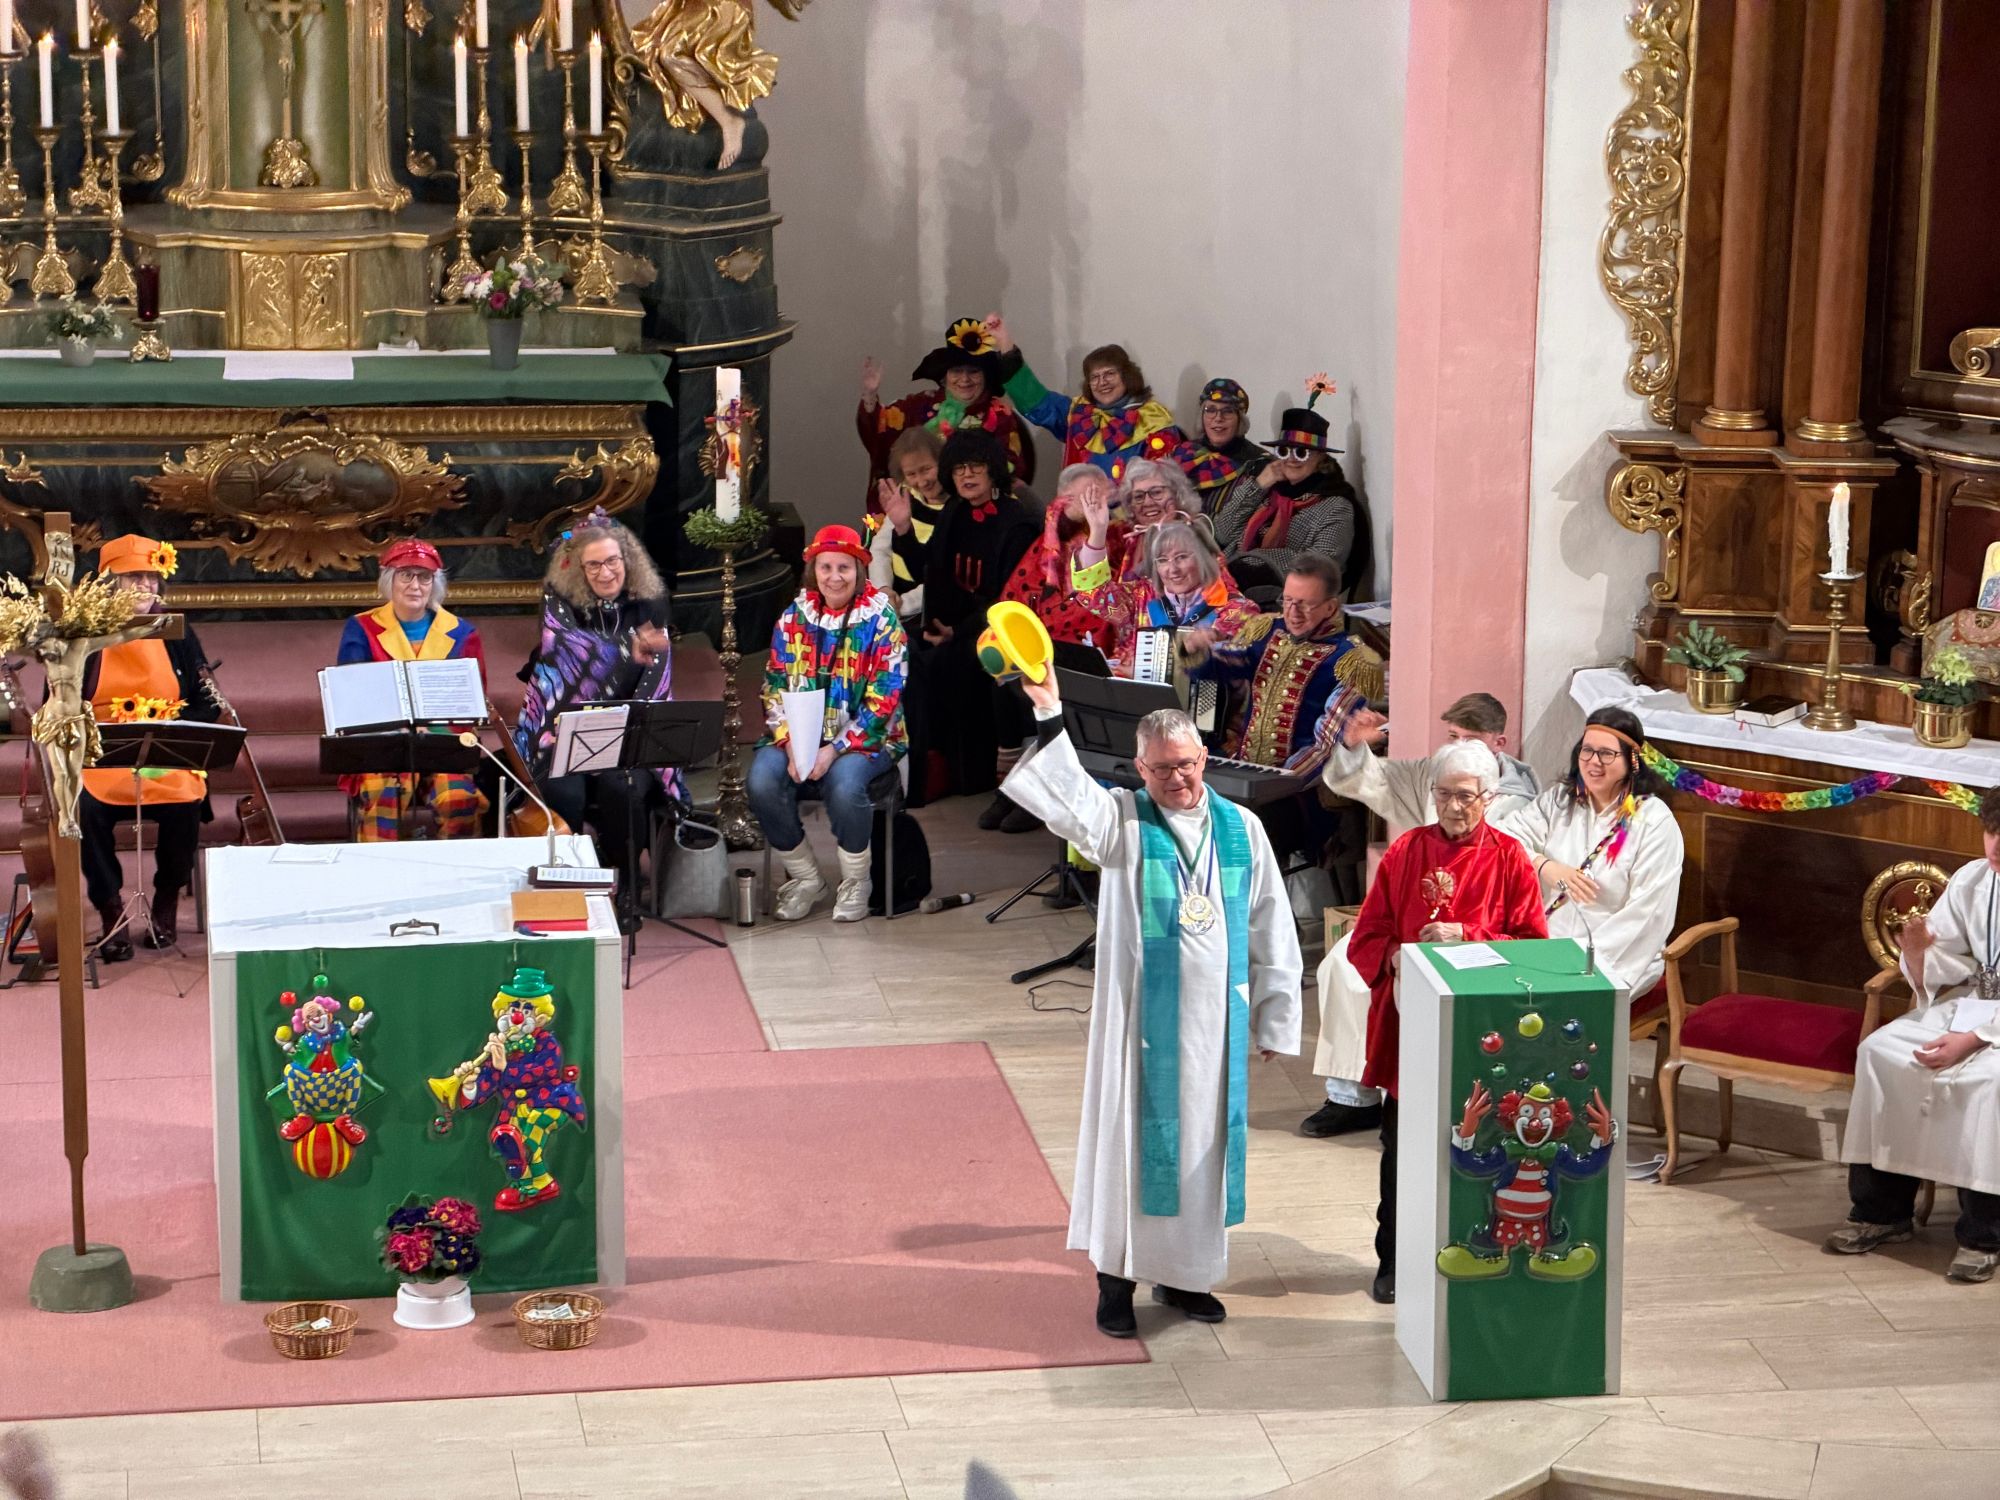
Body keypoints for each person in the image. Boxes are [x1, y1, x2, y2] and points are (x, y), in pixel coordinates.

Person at [1001, 666, 1301, 1337]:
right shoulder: (1123, 822)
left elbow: (1271, 923)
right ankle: (1115, 1282)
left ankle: (1185, 1276)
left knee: (1199, 1153)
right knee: (1131, 1152)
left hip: (1215, 1029)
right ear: (1140, 769)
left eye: (1187, 764)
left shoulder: (1241, 828)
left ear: (1205, 759)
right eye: (1162, 768)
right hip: (1140, 1030)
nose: (1178, 779)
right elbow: (1068, 794)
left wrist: (1275, 1015)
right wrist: (1049, 713)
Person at [1348, 739, 1548, 1304]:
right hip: (1413, 1026)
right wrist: (1396, 956)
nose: (1453, 807)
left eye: (1465, 796)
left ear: (1490, 798)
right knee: (1401, 1149)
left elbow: (1534, 947)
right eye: (1443, 794)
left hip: (1486, 1032)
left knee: (1478, 1149)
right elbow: (1367, 936)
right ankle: (1393, 1261)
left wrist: (1468, 935)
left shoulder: (1510, 858)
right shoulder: (1406, 850)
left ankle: (1480, 1252)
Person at [1302, 693, 1542, 1138]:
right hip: (1415, 930)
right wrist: (1356, 747)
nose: (1454, 805)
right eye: (1452, 736)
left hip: (1484, 938)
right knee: (1341, 964)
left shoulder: (1523, 804)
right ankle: (1352, 1097)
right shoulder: (1429, 783)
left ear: (1499, 744)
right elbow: (1370, 781)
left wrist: (1467, 934)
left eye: (1471, 738)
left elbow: (1527, 920)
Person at [1830, 788, 2000, 1283]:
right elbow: (1950, 961)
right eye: (1992, 831)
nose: (1996, 846)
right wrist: (1920, 949)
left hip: (1990, 1026)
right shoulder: (1973, 879)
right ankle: (1881, 1212)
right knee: (1880, 1053)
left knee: (1988, 1085)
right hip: (1970, 1005)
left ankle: (1983, 1236)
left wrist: (1973, 1039)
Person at [514, 513, 678, 915]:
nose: (606, 573)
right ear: (578, 569)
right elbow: (564, 656)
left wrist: (626, 728)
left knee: (624, 789)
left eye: (613, 561)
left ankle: (626, 882)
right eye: (594, 565)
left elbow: (657, 672)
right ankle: (573, 882)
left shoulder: (650, 602)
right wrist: (627, 648)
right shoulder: (559, 601)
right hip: (564, 732)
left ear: (627, 559)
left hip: (629, 735)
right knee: (562, 790)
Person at [749, 525, 908, 922]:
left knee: (844, 784)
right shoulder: (793, 617)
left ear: (859, 571)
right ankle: (807, 879)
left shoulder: (882, 620)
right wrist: (789, 743)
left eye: (844, 568)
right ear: (813, 571)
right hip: (798, 737)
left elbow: (885, 700)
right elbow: (773, 685)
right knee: (762, 781)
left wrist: (833, 750)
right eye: (826, 568)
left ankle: (856, 880)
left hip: (868, 739)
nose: (835, 577)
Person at [78, 534, 219, 962]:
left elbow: (207, 698)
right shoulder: (85, 631)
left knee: (185, 803)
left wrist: (179, 727)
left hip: (164, 752)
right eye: (133, 577)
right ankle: (111, 911)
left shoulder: (177, 630)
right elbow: (60, 702)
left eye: (152, 577)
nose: (145, 585)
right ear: (110, 583)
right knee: (86, 810)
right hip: (103, 757)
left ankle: (166, 901)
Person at [888, 427, 1040, 818]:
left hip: (999, 626)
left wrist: (957, 632)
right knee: (907, 654)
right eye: (958, 469)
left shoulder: (1017, 522)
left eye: (975, 467)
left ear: (992, 470)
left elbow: (1009, 598)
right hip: (953, 624)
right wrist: (903, 528)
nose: (966, 476)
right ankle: (929, 767)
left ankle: (981, 776)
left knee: (953, 660)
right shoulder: (956, 511)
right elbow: (930, 568)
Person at [1504, 707, 1685, 1000]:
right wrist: (1543, 865)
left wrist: (1581, 961)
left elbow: (1648, 915)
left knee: (1550, 1007)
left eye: (1607, 754)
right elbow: (1504, 837)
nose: (1593, 762)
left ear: (1632, 760)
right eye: (1587, 751)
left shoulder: (1654, 822)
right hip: (1548, 943)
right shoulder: (1559, 801)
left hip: (1621, 955)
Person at [334, 538, 488, 841]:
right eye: (406, 575)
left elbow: (472, 702)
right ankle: (378, 869)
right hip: (384, 745)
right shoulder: (362, 628)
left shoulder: (462, 632)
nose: (415, 586)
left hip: (441, 744)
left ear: (435, 584)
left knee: (458, 800)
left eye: (425, 577)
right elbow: (353, 697)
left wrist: (435, 732)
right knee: (383, 797)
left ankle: (455, 868)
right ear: (389, 581)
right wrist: (394, 728)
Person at [1182, 555, 1380, 773]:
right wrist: (1197, 648)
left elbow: (1326, 747)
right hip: (1246, 770)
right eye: (1287, 600)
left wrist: (1277, 781)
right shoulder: (1267, 630)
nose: (1293, 613)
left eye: (1306, 604)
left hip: (1300, 784)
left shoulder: (1351, 661)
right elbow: (1217, 669)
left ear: (1330, 608)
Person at [1070, 490, 1258, 679]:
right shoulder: (1143, 596)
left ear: (1205, 559)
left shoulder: (1235, 609)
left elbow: (1241, 665)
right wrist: (1098, 532)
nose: (1172, 569)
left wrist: (1214, 640)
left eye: (1181, 557)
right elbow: (1093, 592)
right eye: (1162, 560)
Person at [857, 317, 1035, 511]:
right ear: (944, 377)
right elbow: (879, 430)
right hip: (915, 506)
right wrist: (870, 394)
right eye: (956, 371)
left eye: (973, 371)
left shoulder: (999, 415)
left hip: (973, 509)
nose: (964, 379)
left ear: (985, 377)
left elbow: (1011, 469)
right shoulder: (921, 404)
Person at [985, 312, 1188, 481]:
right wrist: (1005, 343)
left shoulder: (1152, 419)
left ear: (1127, 376)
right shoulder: (1079, 414)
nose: (1102, 382)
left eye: (1109, 374)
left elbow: (1164, 485)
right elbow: (1036, 402)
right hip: (1080, 515)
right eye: (1094, 377)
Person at [1214, 404, 1365, 593]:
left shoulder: (1335, 506)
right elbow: (1223, 533)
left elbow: (1318, 571)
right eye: (1284, 451)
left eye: (1301, 453)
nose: (1291, 459)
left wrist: (1255, 559)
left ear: (1320, 457)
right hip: (1227, 585)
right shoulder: (1268, 491)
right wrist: (1259, 484)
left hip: (1279, 597)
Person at [1000, 464, 1129, 654]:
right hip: (1036, 641)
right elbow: (1015, 598)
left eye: (1098, 495)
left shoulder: (1119, 536)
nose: (1092, 504)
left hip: (1090, 647)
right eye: (1085, 497)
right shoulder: (1047, 542)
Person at [865, 426, 946, 625]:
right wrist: (883, 590)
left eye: (926, 469)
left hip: (927, 611)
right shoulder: (904, 496)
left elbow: (944, 578)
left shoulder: (957, 508)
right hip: (891, 603)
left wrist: (900, 606)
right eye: (911, 474)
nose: (922, 481)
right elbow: (880, 549)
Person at [1180, 378, 1268, 512]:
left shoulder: (1259, 463)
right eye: (1210, 410)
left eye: (1228, 411)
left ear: (1240, 419)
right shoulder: (1183, 453)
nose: (1218, 418)